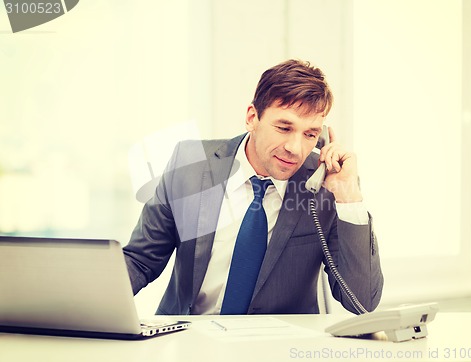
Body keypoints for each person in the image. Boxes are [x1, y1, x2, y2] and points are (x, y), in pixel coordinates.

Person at [123, 59, 383, 315]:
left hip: (276, 348)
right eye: (284, 127)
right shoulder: (191, 164)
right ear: (252, 117)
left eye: (310, 134)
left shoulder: (326, 185)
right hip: (189, 339)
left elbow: (362, 301)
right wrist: (89, 305)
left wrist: (349, 198)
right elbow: (140, 260)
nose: (295, 148)